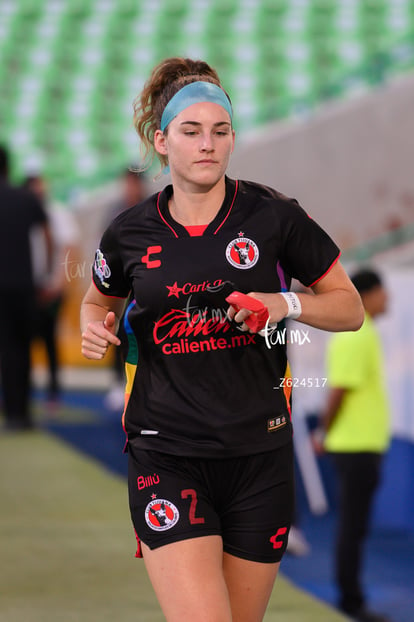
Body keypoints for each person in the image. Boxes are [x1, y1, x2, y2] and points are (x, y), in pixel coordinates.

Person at [80, 57, 364, 622]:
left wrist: (282, 304)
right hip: (167, 453)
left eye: (220, 131)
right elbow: (97, 300)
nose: (207, 144)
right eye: (190, 132)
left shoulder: (275, 217)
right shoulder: (128, 232)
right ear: (163, 142)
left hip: (260, 457)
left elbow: (349, 308)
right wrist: (95, 325)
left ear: (232, 139)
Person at [314, 268, 391, 622]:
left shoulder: (363, 331)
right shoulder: (357, 334)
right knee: (351, 527)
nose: (387, 298)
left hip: (360, 443)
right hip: (354, 445)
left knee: (354, 527)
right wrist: (325, 434)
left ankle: (351, 597)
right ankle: (350, 601)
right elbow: (339, 391)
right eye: (382, 291)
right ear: (368, 294)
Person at [0, 146, 52, 430]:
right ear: (9, 167)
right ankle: (22, 413)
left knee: (7, 350)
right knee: (22, 348)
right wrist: (44, 275)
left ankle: (10, 413)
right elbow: (46, 235)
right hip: (24, 285)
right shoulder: (25, 198)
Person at [23, 174, 80, 405]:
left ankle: (53, 393)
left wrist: (57, 285)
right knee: (20, 342)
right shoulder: (19, 214)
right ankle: (21, 393)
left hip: (51, 289)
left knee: (49, 341)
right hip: (25, 288)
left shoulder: (58, 214)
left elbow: (70, 251)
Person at [104, 168, 148, 412]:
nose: (130, 188)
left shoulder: (154, 207)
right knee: (117, 330)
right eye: (127, 183)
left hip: (145, 279)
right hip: (121, 281)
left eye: (134, 183)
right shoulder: (114, 212)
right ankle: (117, 381)